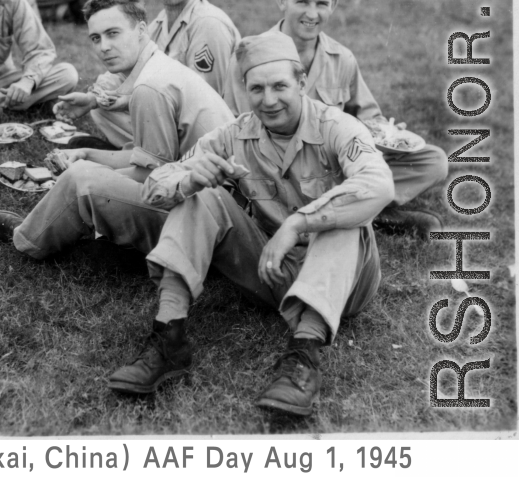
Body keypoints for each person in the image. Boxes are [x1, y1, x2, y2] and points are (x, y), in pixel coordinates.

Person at [106, 32, 393, 415]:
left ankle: (302, 359)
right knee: (203, 196)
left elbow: (379, 184)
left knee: (343, 217)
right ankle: (168, 338)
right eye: (257, 88)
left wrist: (297, 223)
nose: (269, 100)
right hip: (272, 272)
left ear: (302, 83)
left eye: (280, 86)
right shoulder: (234, 133)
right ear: (244, 90)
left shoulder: (336, 126)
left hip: (345, 283)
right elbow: (155, 187)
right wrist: (191, 178)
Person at [0, 0, 233, 257]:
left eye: (113, 33)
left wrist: (89, 175)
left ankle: (27, 240)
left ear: (142, 29)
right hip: (213, 199)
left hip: (207, 217)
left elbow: (150, 176)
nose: (104, 47)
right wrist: (87, 154)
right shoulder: (157, 68)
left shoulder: (150, 86)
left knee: (79, 179)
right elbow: (153, 162)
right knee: (85, 172)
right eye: (96, 38)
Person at [225, 0, 448, 238]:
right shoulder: (249, 57)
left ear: (334, 5)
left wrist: (388, 135)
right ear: (282, 1)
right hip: (279, 172)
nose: (312, 13)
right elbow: (239, 128)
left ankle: (361, 208)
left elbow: (368, 118)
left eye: (321, 4)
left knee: (433, 161)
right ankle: (365, 211)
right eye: (302, 2)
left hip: (337, 166)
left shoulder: (342, 58)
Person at [61, 0, 241, 149]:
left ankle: (145, 156)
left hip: (216, 136)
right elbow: (129, 68)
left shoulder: (209, 24)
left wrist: (128, 101)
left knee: (118, 103)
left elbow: (202, 101)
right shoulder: (162, 20)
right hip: (171, 111)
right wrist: (92, 98)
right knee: (101, 101)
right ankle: (142, 152)